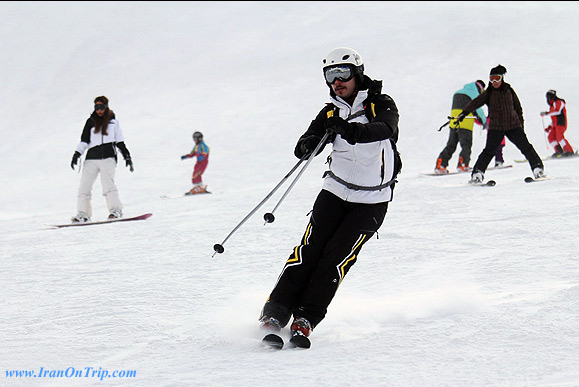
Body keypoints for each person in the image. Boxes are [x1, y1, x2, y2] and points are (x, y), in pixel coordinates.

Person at [258, 47, 401, 348]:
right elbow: (308, 139)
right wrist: (307, 144)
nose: (337, 82)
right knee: (309, 250)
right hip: (334, 191)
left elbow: (385, 129)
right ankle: (275, 311)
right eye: (330, 75)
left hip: (372, 199)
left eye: (343, 74)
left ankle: (306, 317)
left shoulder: (380, 103)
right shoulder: (330, 111)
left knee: (335, 260)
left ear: (358, 74)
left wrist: (349, 130)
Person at [457, 65, 545, 183]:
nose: (494, 82)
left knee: (526, 147)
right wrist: (464, 113)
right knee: (489, 151)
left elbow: (518, 108)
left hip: (513, 126)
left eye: (497, 78)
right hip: (496, 127)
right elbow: (475, 103)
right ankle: (477, 173)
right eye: (492, 79)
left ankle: (537, 168)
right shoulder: (488, 93)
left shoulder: (509, 90)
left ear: (502, 78)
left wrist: (521, 125)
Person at [70, 96, 134, 222]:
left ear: (106, 107)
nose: (99, 110)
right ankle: (83, 214)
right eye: (97, 107)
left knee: (108, 185)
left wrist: (127, 156)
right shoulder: (90, 122)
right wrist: (77, 154)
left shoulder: (113, 123)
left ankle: (116, 211)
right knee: (84, 187)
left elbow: (120, 142)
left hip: (108, 157)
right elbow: (84, 141)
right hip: (92, 158)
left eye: (102, 107)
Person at [435, 80, 486, 174]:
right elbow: (478, 108)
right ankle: (463, 164)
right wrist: (484, 121)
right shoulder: (473, 93)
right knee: (466, 144)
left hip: (454, 123)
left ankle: (440, 164)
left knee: (451, 145)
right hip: (465, 123)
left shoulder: (457, 93)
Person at [541, 90, 575, 157]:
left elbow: (558, 111)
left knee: (559, 137)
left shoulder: (559, 102)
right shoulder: (551, 107)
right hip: (555, 125)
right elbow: (554, 119)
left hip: (561, 123)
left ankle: (569, 151)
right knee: (551, 137)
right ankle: (559, 151)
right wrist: (549, 127)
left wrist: (546, 113)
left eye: (548, 96)